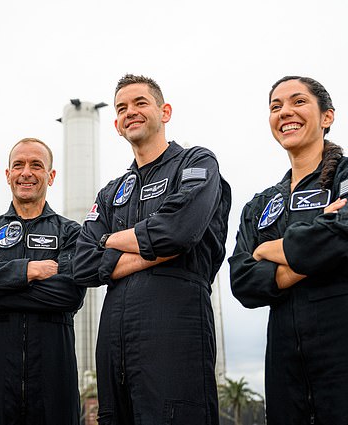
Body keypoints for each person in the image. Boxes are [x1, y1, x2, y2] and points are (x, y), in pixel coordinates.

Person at [229, 76, 348, 425]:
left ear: (326, 117)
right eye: (276, 106)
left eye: (298, 101)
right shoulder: (261, 204)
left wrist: (271, 249)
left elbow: (347, 234)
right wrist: (318, 240)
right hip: (285, 357)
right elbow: (242, 281)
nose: (285, 111)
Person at [73, 74, 232, 424]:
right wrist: (151, 246)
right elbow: (82, 264)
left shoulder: (196, 163)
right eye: (122, 108)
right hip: (114, 341)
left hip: (175, 330)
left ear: (165, 111)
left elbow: (179, 231)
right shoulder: (111, 192)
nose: (130, 112)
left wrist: (109, 240)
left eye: (140, 103)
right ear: (116, 125)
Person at [0, 138, 85, 425]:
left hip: (53, 377)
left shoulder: (71, 233)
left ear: (50, 176)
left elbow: (69, 294)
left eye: (36, 165)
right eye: (18, 165)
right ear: (8, 174)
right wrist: (28, 271)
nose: (26, 172)